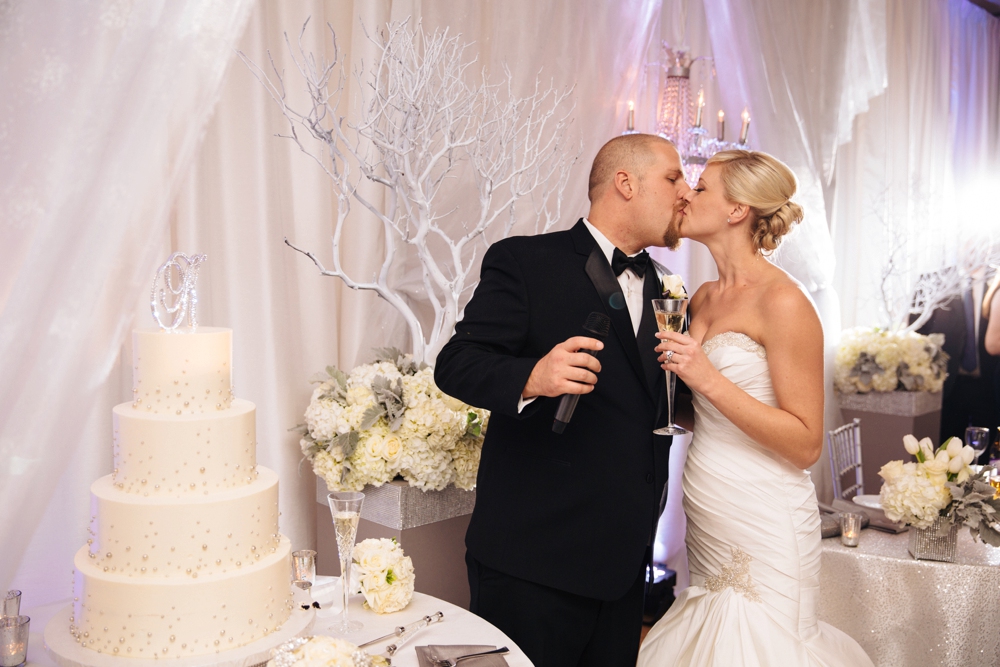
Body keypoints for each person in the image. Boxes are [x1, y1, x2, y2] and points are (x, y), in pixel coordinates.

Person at [434, 133, 688, 666]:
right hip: (532, 564)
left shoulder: (671, 289)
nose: (684, 192)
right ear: (626, 182)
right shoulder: (524, 261)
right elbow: (456, 364)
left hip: (621, 571)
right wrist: (534, 375)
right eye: (673, 178)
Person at [638, 150, 873, 666]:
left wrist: (706, 376)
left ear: (737, 210)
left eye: (701, 189)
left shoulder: (784, 302)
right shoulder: (696, 298)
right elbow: (695, 411)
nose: (686, 195)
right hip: (707, 504)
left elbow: (806, 443)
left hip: (764, 511)